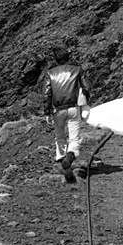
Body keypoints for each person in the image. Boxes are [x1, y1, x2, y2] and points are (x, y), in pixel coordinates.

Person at [43, 47, 91, 182]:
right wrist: (86, 103)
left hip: (57, 110)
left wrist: (47, 112)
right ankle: (70, 156)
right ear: (68, 57)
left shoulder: (50, 73)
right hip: (73, 108)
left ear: (56, 59)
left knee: (60, 137)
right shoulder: (77, 70)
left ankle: (64, 163)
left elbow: (47, 94)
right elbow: (86, 87)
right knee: (74, 138)